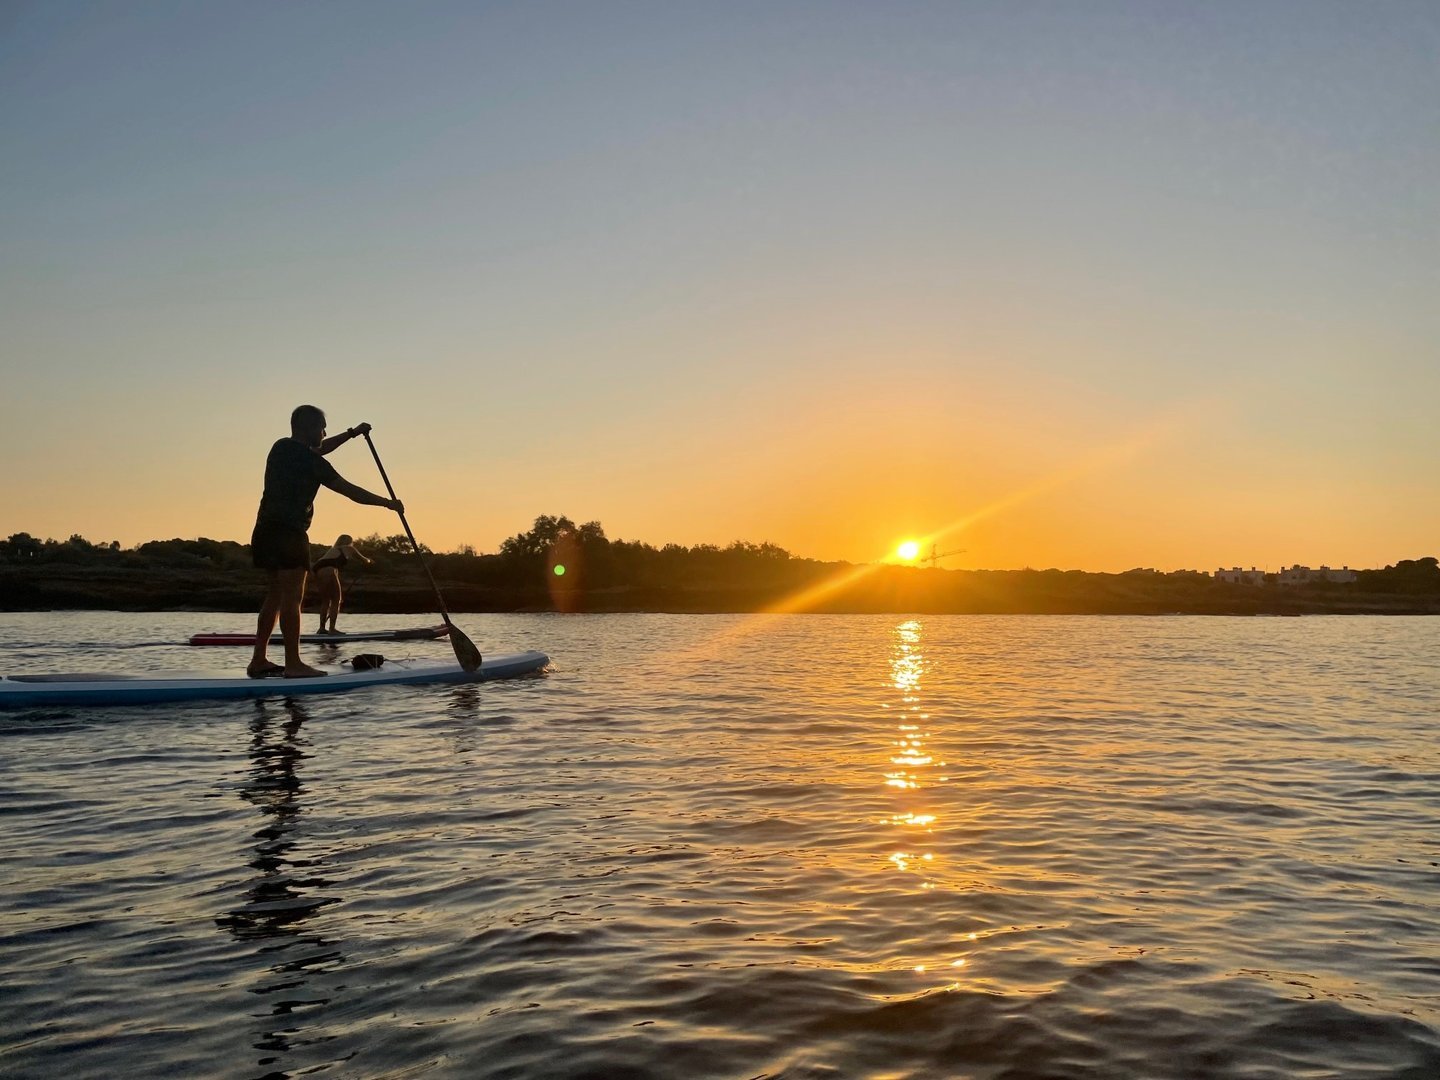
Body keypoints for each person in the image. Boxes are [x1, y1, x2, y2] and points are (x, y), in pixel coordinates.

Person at [249, 405, 401, 678]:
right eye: (322, 428)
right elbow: (351, 491)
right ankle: (293, 665)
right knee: (292, 598)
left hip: (264, 531)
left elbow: (320, 448)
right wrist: (388, 503)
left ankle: (258, 660)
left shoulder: (281, 448)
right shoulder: (314, 462)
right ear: (308, 428)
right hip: (289, 534)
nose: (325, 433)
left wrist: (352, 434)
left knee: (275, 595)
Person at [311, 533, 372, 634]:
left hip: (317, 571)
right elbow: (364, 560)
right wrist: (369, 561)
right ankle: (332, 629)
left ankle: (321, 628)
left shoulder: (332, 550)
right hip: (329, 570)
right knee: (336, 600)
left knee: (325, 601)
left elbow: (332, 567)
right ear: (349, 541)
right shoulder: (348, 548)